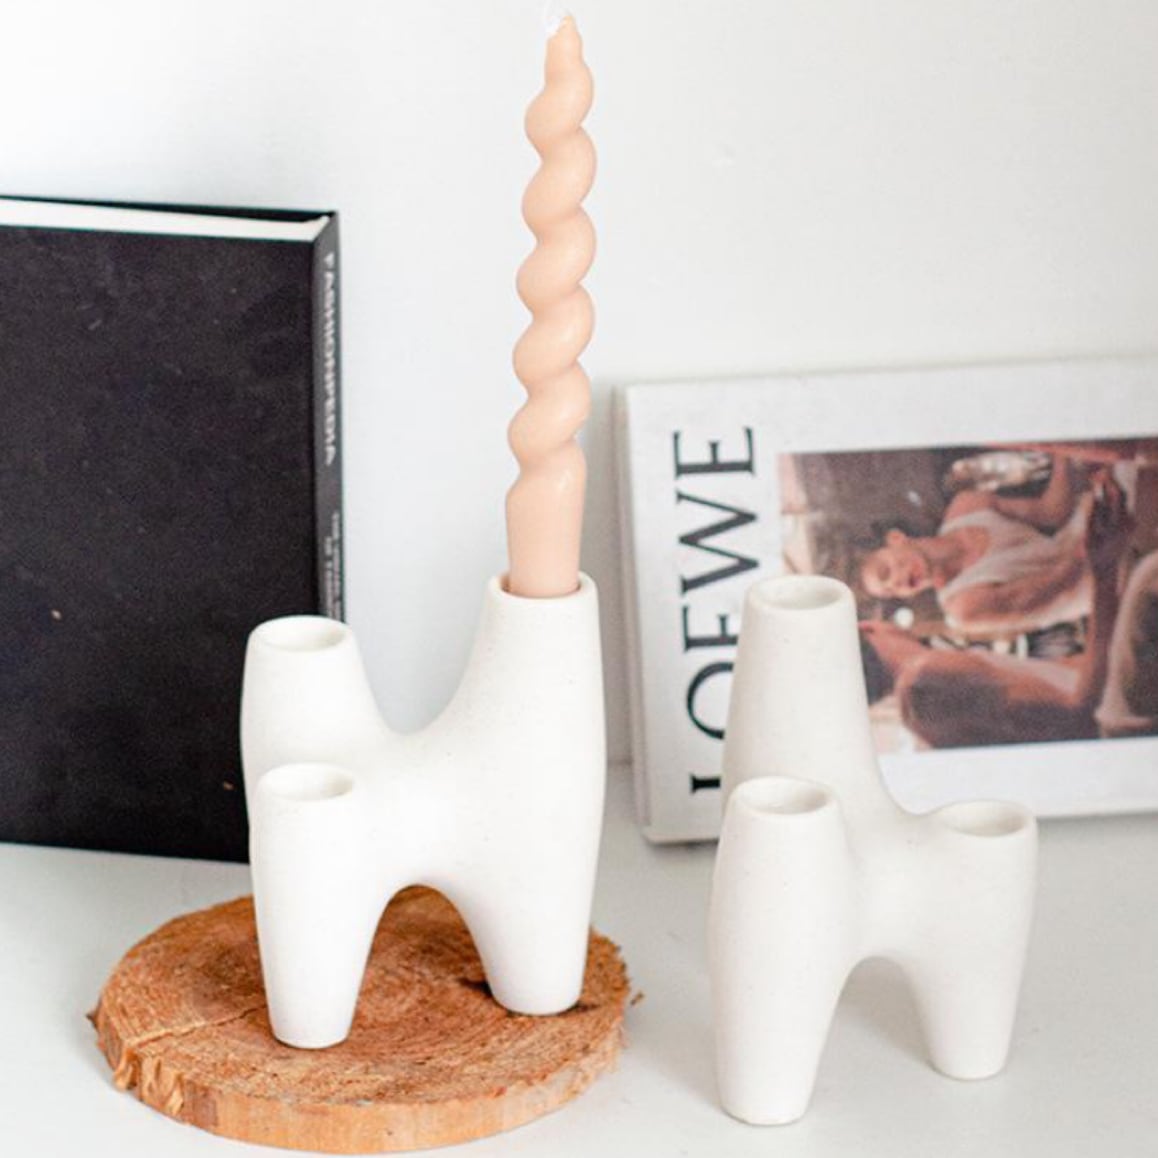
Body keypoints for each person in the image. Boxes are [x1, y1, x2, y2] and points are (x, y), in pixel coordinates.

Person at [859, 481, 1153, 747]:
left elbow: (1067, 674)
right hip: (1122, 712)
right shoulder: (924, 682)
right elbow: (1079, 710)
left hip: (1117, 694)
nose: (898, 584)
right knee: (1148, 577)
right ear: (865, 627)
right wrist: (1104, 572)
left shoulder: (924, 688)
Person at [859, 454, 1091, 634]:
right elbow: (1061, 581)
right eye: (891, 592)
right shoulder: (962, 606)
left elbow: (1051, 513)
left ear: (896, 539)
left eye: (885, 572)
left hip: (1081, 542)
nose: (896, 584)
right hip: (1093, 586)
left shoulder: (966, 507)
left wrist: (1062, 454)